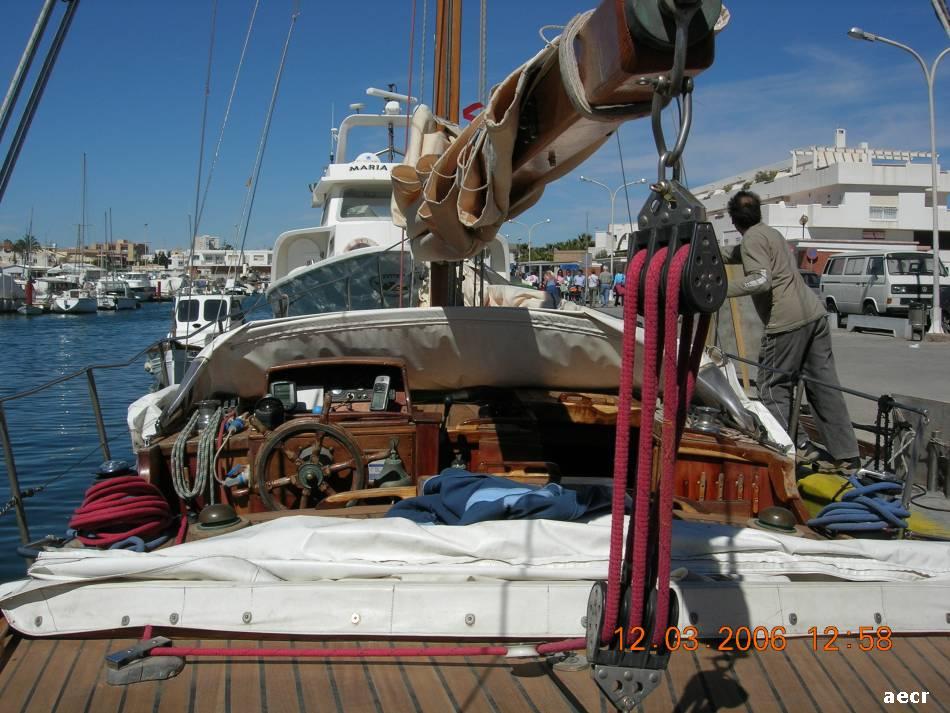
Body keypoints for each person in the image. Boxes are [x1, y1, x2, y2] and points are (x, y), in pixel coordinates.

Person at [723, 190, 859, 474]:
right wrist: (708, 252)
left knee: (773, 387)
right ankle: (846, 453)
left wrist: (722, 290)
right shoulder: (768, 234)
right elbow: (740, 254)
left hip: (786, 322)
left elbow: (760, 280)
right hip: (814, 314)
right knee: (823, 385)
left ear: (734, 221)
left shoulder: (751, 239)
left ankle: (794, 448)